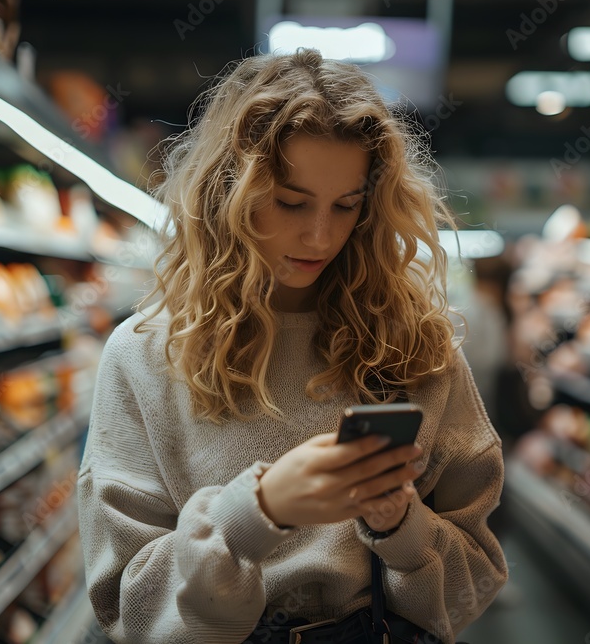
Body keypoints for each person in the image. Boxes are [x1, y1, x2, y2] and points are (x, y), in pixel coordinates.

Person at [77, 48, 507, 644]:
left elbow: (473, 584)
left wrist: (403, 528)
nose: (320, 235)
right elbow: (127, 608)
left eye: (347, 205)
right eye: (291, 202)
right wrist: (254, 516)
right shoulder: (147, 354)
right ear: (227, 191)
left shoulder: (414, 347)